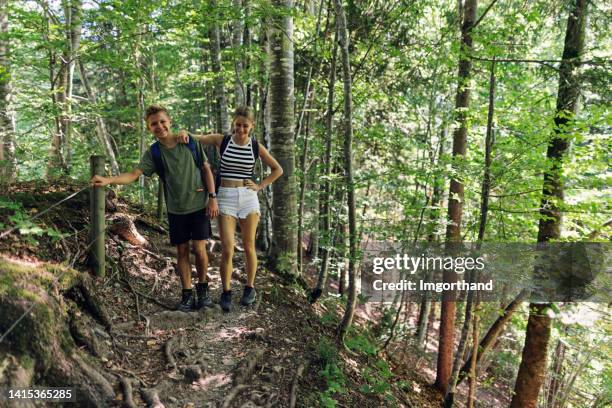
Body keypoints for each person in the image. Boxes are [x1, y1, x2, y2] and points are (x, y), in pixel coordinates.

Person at [91, 105, 219, 312]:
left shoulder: (189, 141)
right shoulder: (154, 153)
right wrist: (109, 179)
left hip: (199, 204)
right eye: (153, 124)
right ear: (148, 128)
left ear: (170, 121)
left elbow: (206, 169)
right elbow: (134, 174)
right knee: (182, 251)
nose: (159, 126)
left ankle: (203, 290)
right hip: (176, 209)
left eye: (162, 121)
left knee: (200, 249)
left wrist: (213, 197)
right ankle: (187, 294)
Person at [179, 106, 283, 311]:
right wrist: (184, 133)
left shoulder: (255, 146)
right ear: (233, 124)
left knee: (249, 246)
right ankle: (226, 292)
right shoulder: (223, 140)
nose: (241, 129)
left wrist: (260, 186)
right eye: (237, 125)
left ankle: (249, 288)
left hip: (248, 198)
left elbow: (278, 169)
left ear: (252, 126)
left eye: (245, 126)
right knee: (227, 247)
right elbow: (197, 138)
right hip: (225, 196)